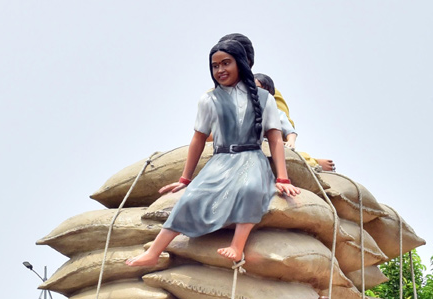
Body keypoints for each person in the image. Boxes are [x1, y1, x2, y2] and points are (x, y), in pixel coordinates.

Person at [127, 38, 300, 267]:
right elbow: (198, 139)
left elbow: (276, 139)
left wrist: (282, 178)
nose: (220, 70)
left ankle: (237, 247)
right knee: (191, 197)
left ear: (240, 63)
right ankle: (154, 252)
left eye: (226, 63)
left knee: (250, 189)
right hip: (220, 161)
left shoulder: (265, 99)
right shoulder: (208, 99)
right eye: (215, 66)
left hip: (251, 158)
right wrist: (185, 179)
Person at [254, 73, 335, 172]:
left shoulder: (273, 109)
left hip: (267, 141)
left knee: (279, 152)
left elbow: (285, 126)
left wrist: (290, 141)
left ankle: (311, 162)